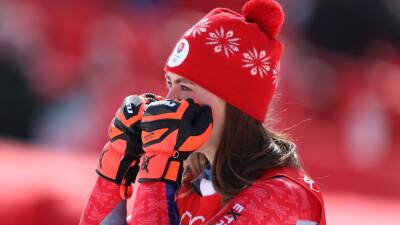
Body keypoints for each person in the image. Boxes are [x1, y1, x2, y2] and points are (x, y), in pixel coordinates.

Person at [80, 0, 326, 224]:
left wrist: (159, 165)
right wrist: (116, 166)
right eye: (169, 84)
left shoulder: (282, 196)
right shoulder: (190, 184)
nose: (170, 101)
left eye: (185, 88)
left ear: (233, 102)